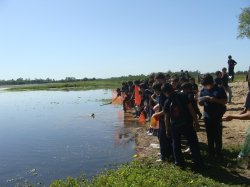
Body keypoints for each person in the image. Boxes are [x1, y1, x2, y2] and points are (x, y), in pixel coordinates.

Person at [162, 83, 203, 168]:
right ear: (172, 88)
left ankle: (179, 162)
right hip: (187, 123)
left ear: (165, 92)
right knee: (193, 143)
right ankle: (198, 162)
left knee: (176, 144)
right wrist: (196, 121)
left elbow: (166, 117)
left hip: (175, 126)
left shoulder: (167, 102)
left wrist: (167, 129)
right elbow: (191, 109)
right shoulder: (183, 95)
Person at [199, 74, 227, 159]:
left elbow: (225, 101)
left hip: (217, 116)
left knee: (217, 136)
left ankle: (218, 153)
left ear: (211, 82)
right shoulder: (203, 89)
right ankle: (211, 153)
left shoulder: (219, 89)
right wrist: (201, 101)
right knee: (209, 136)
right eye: (204, 85)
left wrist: (215, 100)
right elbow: (200, 101)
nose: (206, 87)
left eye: (207, 85)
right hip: (207, 116)